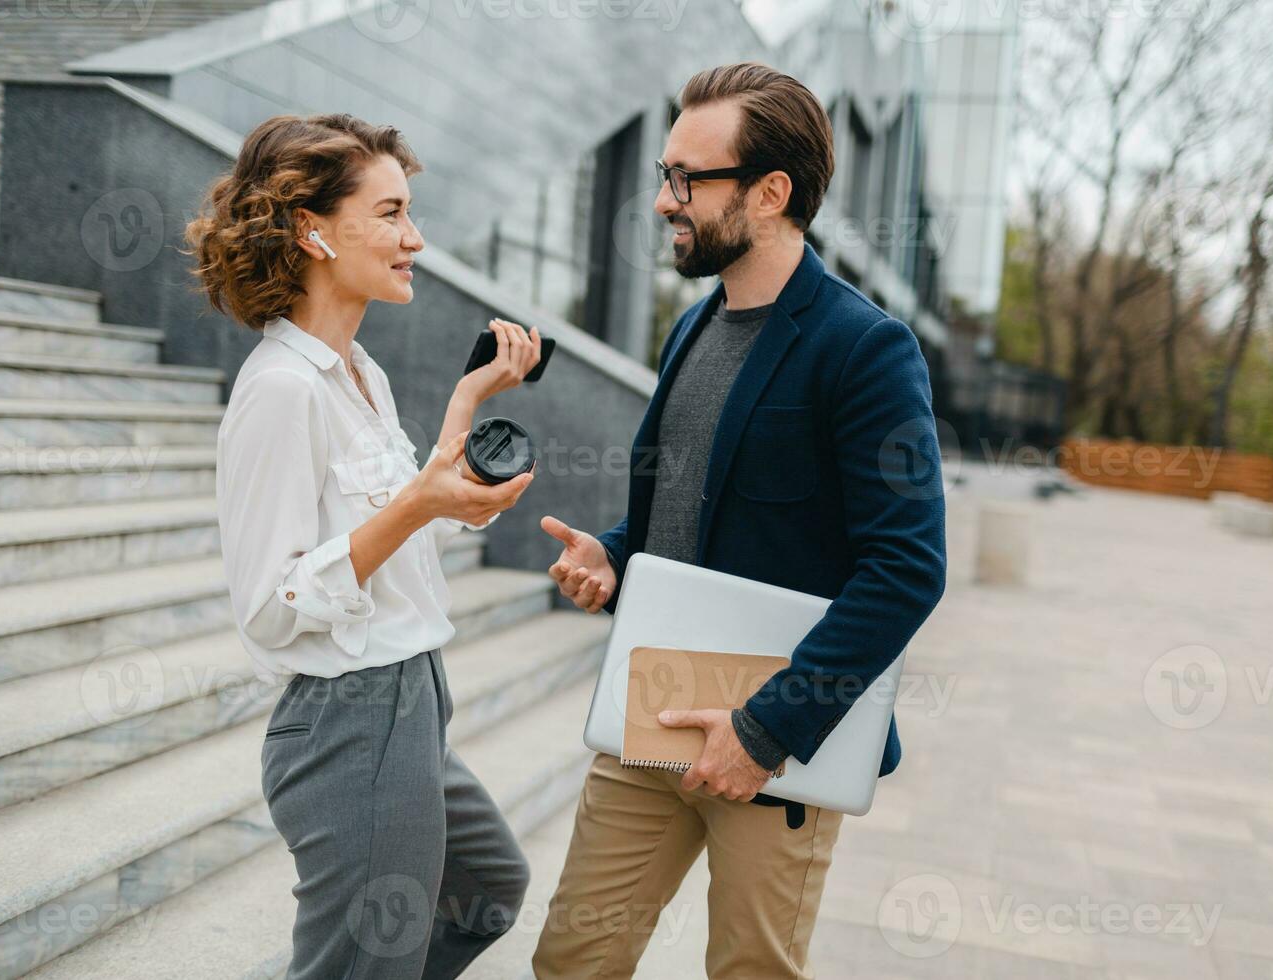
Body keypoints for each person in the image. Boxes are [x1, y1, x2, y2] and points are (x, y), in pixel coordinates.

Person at [533, 62, 949, 978]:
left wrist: (764, 732)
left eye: (688, 180)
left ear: (770, 192)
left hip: (777, 754)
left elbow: (908, 568)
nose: (663, 203)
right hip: (647, 721)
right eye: (663, 176)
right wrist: (614, 553)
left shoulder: (867, 350)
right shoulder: (694, 325)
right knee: (571, 961)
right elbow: (685, 514)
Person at [195, 112, 544, 979]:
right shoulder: (280, 392)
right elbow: (269, 612)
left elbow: (403, 525)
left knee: (486, 888)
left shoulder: (361, 374)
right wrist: (419, 504)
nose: (413, 238)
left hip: (416, 702)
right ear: (312, 229)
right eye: (390, 213)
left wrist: (464, 411)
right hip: (351, 723)